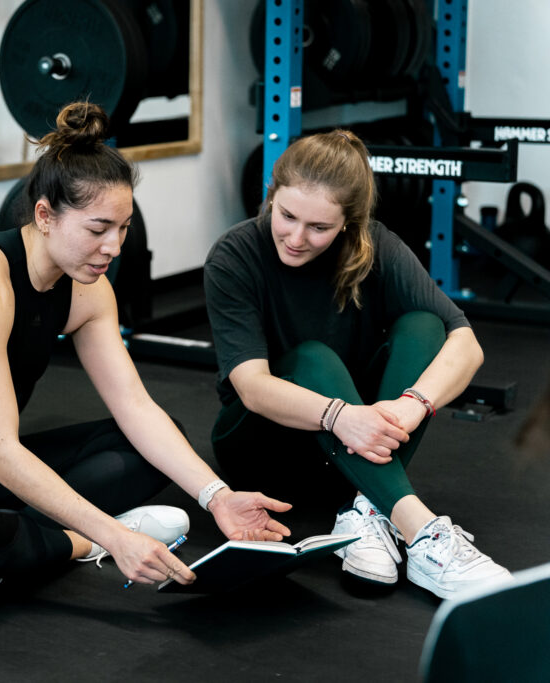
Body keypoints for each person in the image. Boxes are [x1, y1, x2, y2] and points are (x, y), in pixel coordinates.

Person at [0, 101, 292, 606]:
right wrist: (114, 538)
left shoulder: (87, 289)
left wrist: (217, 497)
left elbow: (136, 408)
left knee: (153, 443)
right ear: (45, 215)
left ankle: (19, 543)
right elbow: (2, 451)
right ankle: (81, 541)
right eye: (98, 229)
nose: (113, 246)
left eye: (122, 229)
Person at [203, 129, 512, 599]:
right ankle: (420, 528)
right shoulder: (234, 255)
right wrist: (342, 416)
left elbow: (466, 345)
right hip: (263, 446)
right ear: (271, 193)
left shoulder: (376, 246)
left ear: (349, 223)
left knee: (426, 325)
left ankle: (366, 510)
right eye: (286, 216)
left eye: (319, 228)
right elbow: (251, 387)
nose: (296, 237)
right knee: (313, 357)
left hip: (353, 449)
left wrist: (413, 406)